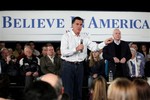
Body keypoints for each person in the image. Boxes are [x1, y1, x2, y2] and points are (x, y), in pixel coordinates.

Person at [60, 16, 113, 100]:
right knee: (68, 91)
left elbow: (94, 47)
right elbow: (63, 52)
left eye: (81, 24)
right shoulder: (66, 36)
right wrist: (76, 49)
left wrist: (104, 43)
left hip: (80, 66)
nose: (79, 26)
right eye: (77, 24)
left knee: (78, 91)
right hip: (68, 66)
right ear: (72, 25)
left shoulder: (84, 37)